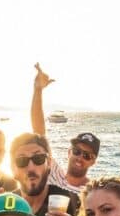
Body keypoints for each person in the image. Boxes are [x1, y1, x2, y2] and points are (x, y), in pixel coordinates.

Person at [30, 63, 99, 194]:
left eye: (86, 155)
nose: (80, 158)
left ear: (93, 161)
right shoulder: (54, 174)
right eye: (77, 151)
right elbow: (39, 134)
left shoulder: (92, 192)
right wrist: (37, 90)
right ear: (69, 152)